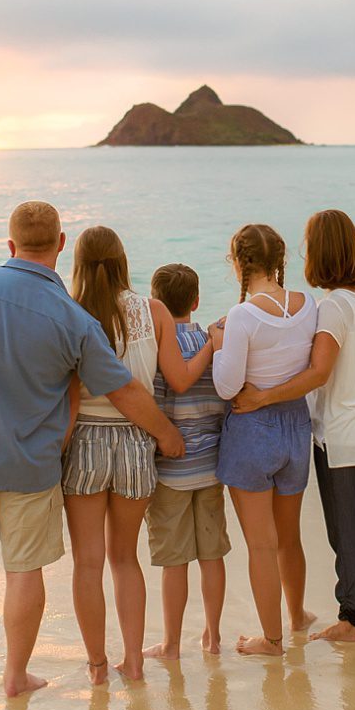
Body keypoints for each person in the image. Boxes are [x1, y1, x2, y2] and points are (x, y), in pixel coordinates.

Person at [0, 201, 184, 700]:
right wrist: (166, 433)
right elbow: (121, 390)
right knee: (23, 571)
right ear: (59, 243)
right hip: (30, 465)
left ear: (9, 245)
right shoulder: (69, 316)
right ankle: (14, 677)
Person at [236, 209, 355, 643]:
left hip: (344, 433)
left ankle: (350, 619)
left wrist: (264, 395)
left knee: (347, 529)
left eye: (309, 244)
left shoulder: (333, 307)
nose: (304, 251)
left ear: (321, 252)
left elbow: (318, 373)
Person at [62, 227, 213, 683]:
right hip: (136, 440)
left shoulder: (70, 312)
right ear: (123, 261)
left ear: (79, 265)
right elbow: (177, 378)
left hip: (86, 440)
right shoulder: (155, 311)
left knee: (87, 562)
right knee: (124, 558)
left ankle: (97, 667)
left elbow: (62, 387)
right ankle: (133, 661)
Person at [209, 223, 319, 656]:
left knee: (261, 544)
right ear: (279, 261)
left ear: (238, 262)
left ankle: (272, 641)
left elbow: (226, 385)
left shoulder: (242, 316)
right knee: (289, 537)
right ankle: (296, 616)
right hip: (296, 424)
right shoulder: (308, 304)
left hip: (254, 429)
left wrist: (218, 344)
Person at [141, 263, 231, 660]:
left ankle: (172, 644)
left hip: (171, 471)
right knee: (212, 555)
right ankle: (212, 637)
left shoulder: (157, 346)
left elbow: (151, 403)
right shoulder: (212, 342)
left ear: (154, 303)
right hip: (211, 465)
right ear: (196, 301)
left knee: (174, 561)